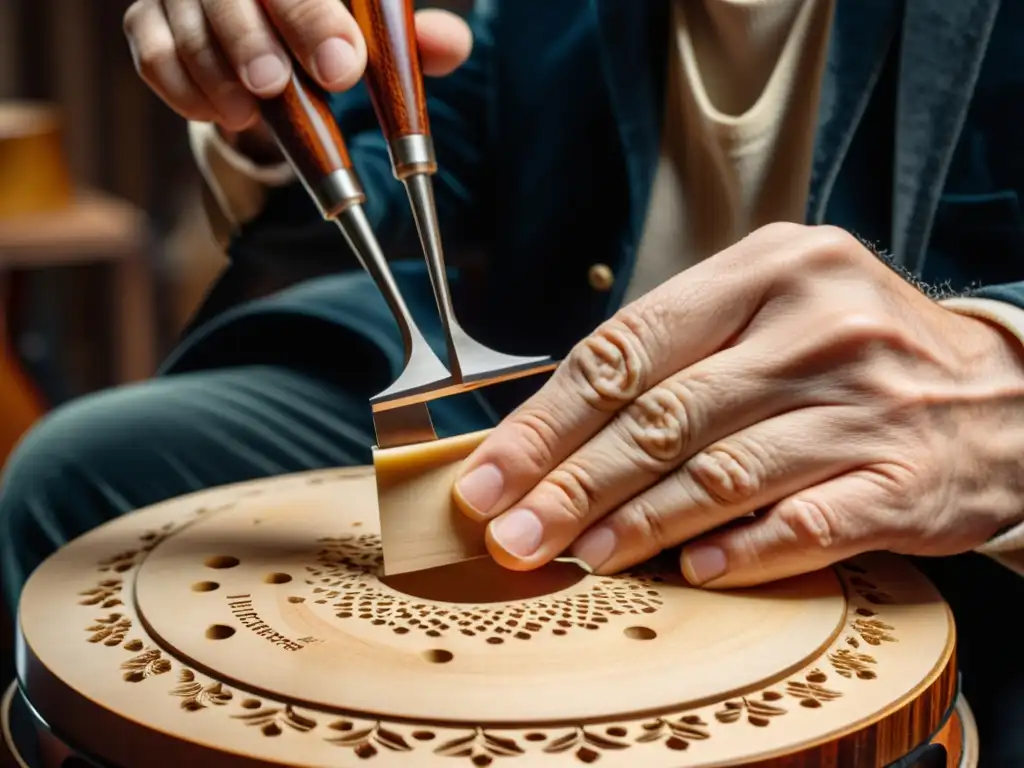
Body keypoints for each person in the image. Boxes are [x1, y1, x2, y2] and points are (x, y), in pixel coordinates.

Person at [2, 0, 1023, 761]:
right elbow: (418, 189)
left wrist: (1001, 369)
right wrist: (269, 99)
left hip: (917, 528)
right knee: (86, 474)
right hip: (528, 437)